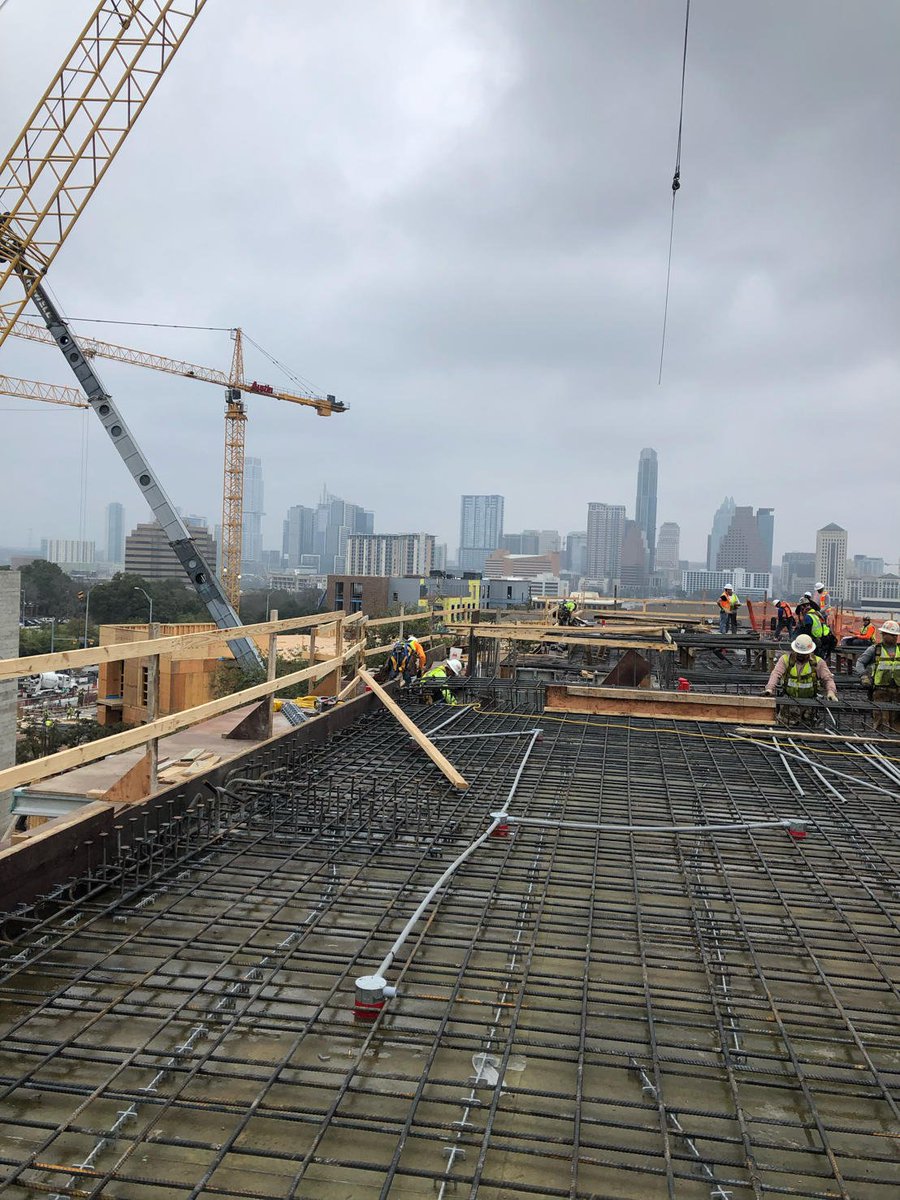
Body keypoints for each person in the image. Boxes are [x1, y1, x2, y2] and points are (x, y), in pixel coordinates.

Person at [765, 633, 837, 724]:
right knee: (785, 729)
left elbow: (828, 679)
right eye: (799, 653)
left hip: (809, 705)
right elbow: (776, 674)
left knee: (808, 731)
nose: (801, 655)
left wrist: (831, 691)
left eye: (804, 654)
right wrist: (769, 688)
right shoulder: (785, 660)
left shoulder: (818, 662)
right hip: (789, 704)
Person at [855, 620, 900, 731]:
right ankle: (879, 743)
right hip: (881, 691)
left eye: (896, 635)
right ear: (884, 634)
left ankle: (895, 745)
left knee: (897, 721)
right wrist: (864, 676)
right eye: (892, 635)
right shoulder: (875, 650)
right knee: (880, 719)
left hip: (898, 691)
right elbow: (860, 662)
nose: (895, 638)